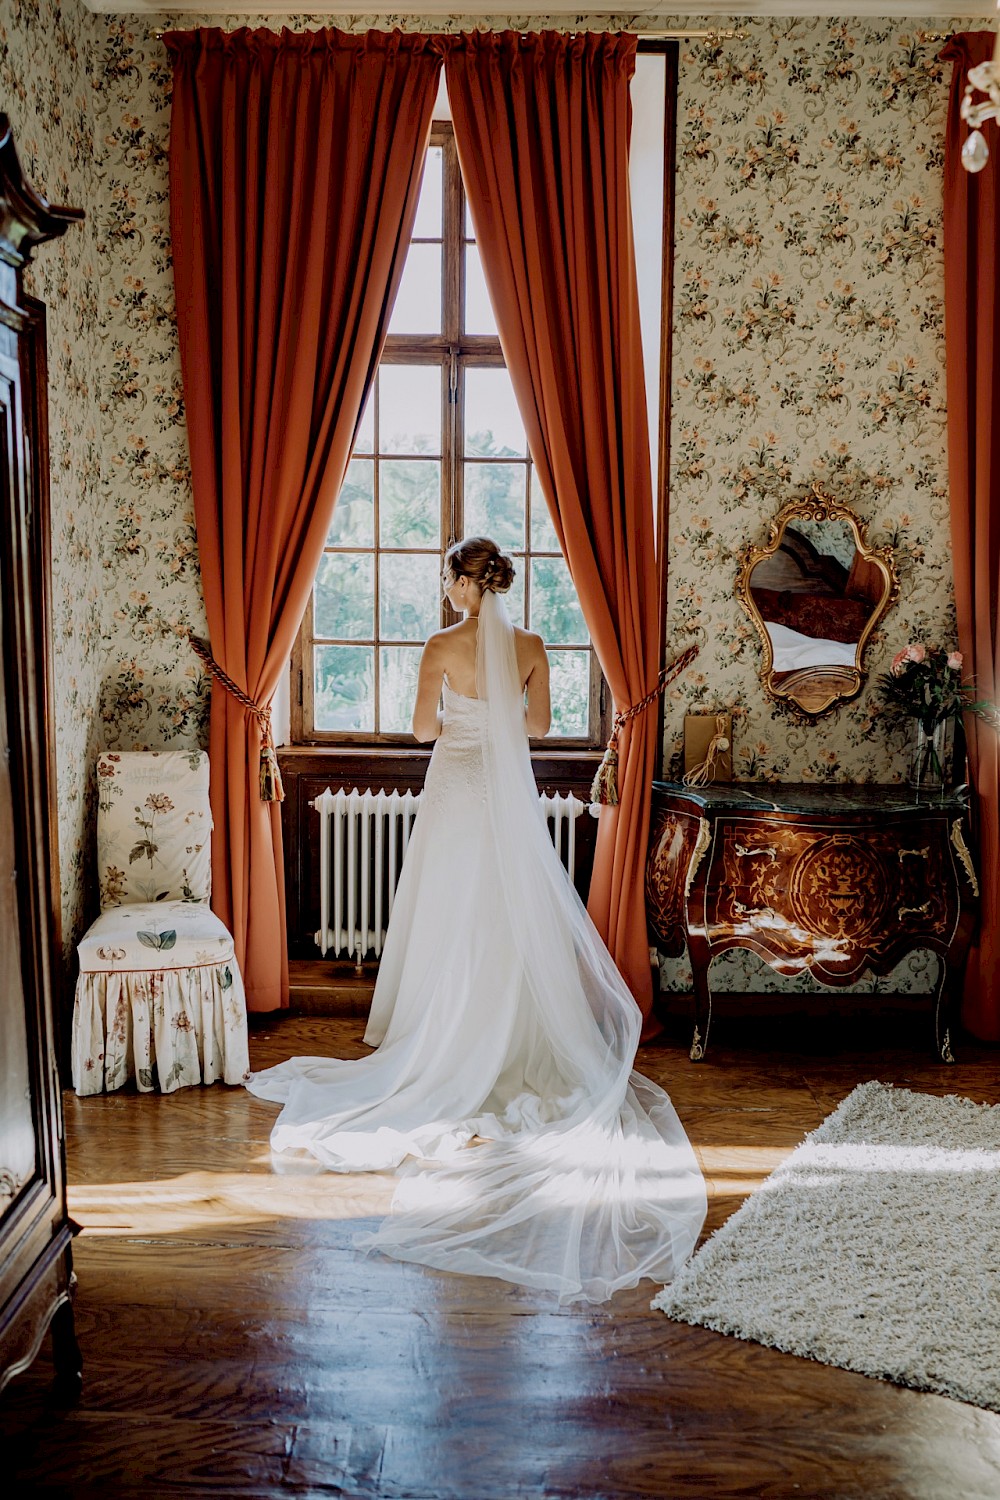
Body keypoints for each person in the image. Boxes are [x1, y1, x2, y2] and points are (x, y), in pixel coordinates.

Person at [247, 536, 706, 1302]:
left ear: (467, 580)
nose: (448, 592)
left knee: (449, 915)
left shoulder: (438, 645)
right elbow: (537, 729)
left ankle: (444, 1034)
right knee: (511, 913)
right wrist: (496, 712)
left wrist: (459, 710)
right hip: (510, 802)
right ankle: (513, 1030)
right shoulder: (530, 645)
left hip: (457, 798)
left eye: (450, 580)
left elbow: (424, 732)